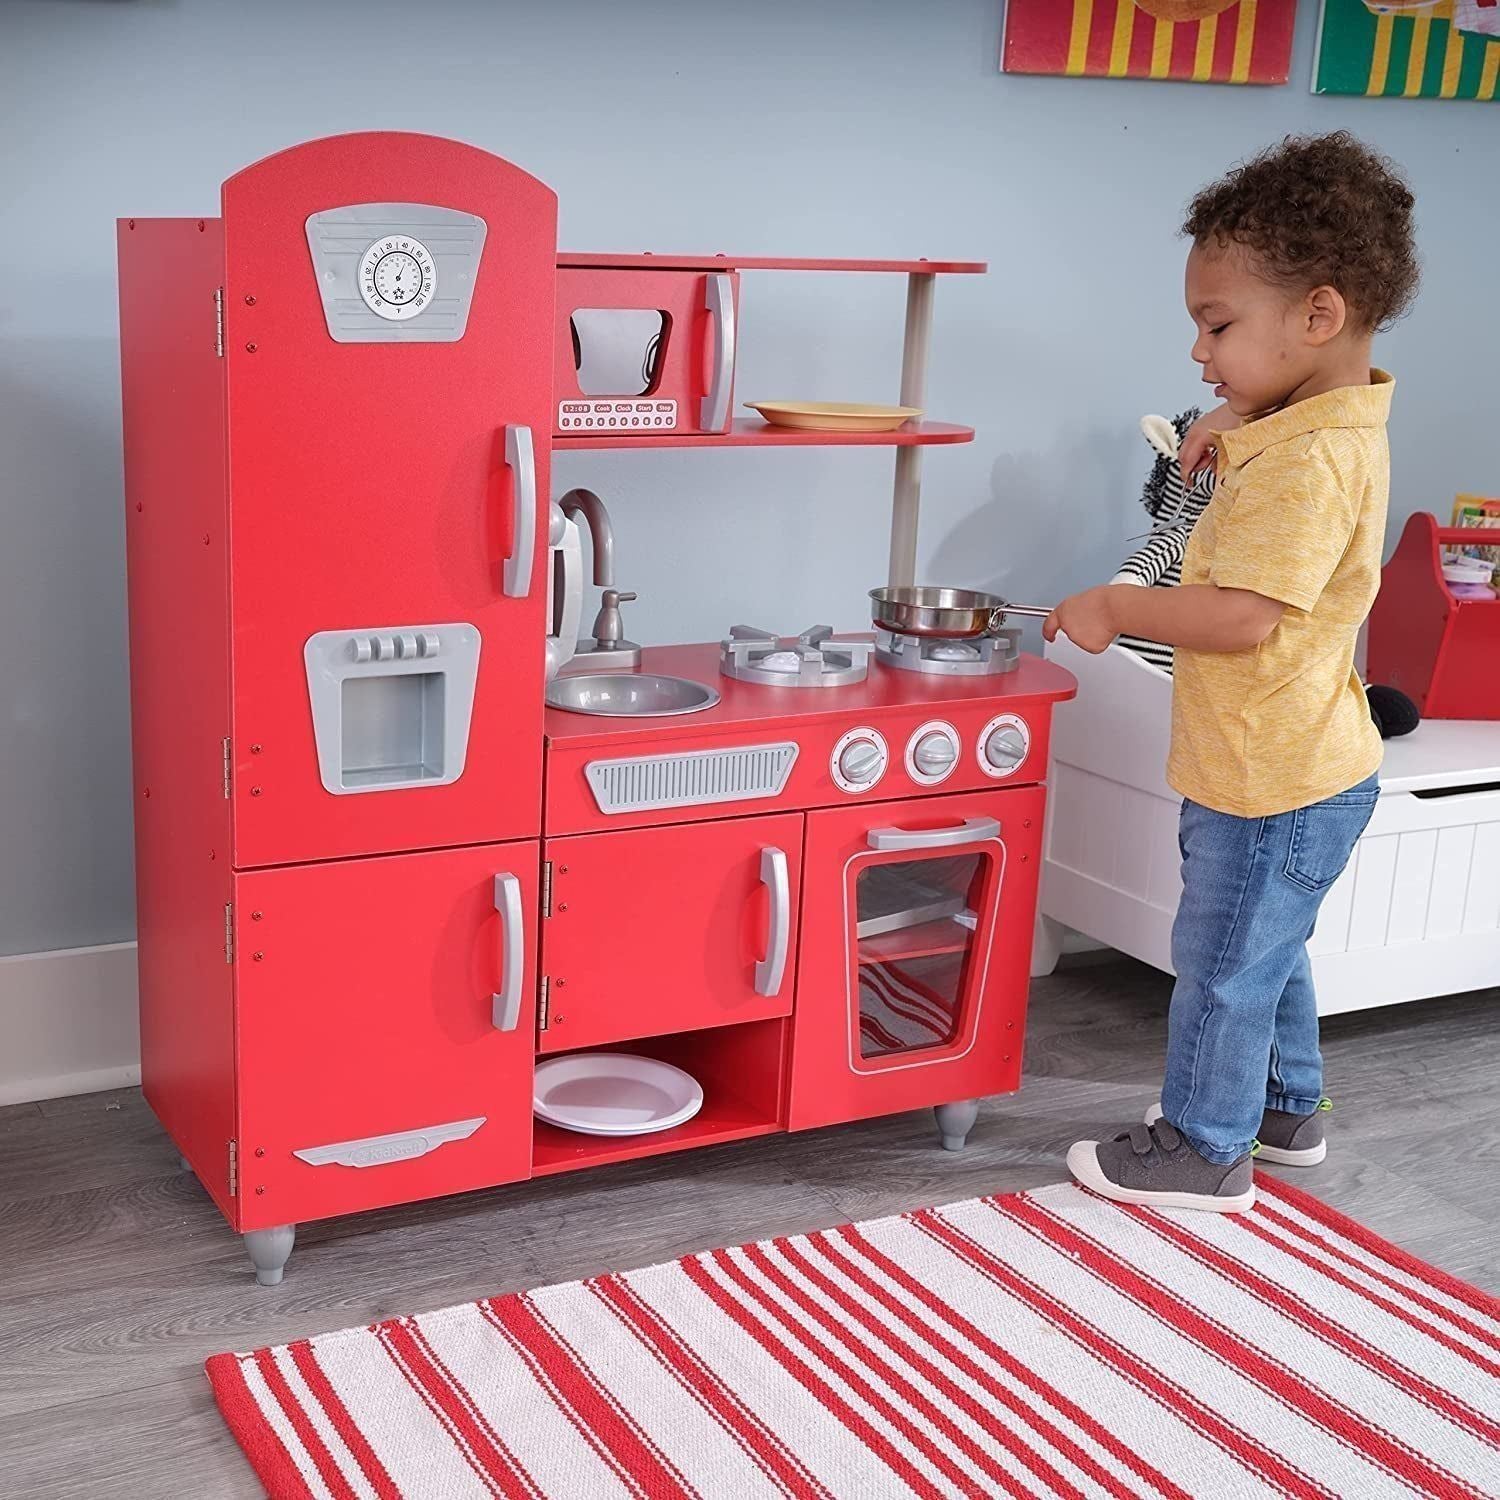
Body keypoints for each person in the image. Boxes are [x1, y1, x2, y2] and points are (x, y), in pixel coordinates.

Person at [1044, 131, 1419, 1212]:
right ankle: (1290, 1108)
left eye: (1218, 329)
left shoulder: (1306, 460)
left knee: (1222, 964)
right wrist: (1228, 413)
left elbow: (1245, 616)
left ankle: (1205, 1148)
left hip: (1269, 780)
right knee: (1274, 947)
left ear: (1318, 316)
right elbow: (1269, 413)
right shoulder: (1320, 413)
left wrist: (1117, 603)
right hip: (1304, 764)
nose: (1202, 354)